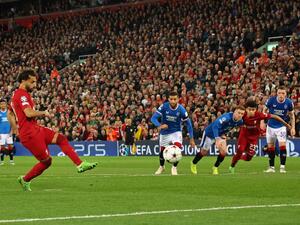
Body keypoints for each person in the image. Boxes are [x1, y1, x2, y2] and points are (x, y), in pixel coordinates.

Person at [8, 69, 98, 191]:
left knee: (61, 139)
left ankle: (80, 164)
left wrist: (15, 128)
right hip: (30, 134)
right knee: (47, 162)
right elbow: (28, 113)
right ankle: (25, 179)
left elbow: (10, 113)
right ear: (23, 81)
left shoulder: (16, 94)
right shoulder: (22, 94)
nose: (35, 85)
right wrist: (43, 113)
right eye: (32, 82)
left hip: (35, 129)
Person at [229, 99, 291, 174]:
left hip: (253, 138)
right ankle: (232, 166)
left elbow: (274, 116)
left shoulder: (259, 115)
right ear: (246, 109)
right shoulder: (242, 114)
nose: (251, 111)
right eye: (249, 109)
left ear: (256, 109)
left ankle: (238, 157)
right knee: (240, 150)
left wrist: (285, 124)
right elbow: (233, 117)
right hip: (244, 136)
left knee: (249, 157)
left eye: (253, 109)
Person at [191, 106, 245, 175]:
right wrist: (217, 139)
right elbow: (215, 126)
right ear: (234, 112)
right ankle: (193, 163)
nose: (240, 115)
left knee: (224, 152)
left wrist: (225, 135)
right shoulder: (226, 117)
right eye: (239, 113)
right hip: (210, 133)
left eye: (242, 114)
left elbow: (234, 127)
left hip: (220, 134)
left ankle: (215, 167)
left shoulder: (240, 121)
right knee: (204, 152)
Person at [151, 91, 195, 175]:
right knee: (162, 152)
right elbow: (153, 118)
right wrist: (160, 125)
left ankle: (174, 167)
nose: (173, 101)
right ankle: (161, 167)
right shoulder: (164, 106)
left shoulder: (181, 109)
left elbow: (189, 124)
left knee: (177, 149)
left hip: (176, 132)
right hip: (165, 133)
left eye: (175, 99)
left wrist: (191, 139)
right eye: (171, 99)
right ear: (168, 99)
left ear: (178, 99)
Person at [263, 86, 295, 173]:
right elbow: (264, 110)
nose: (281, 95)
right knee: (270, 147)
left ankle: (282, 167)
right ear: (277, 93)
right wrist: (262, 122)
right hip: (270, 127)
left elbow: (292, 116)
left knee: (282, 146)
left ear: (286, 94)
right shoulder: (271, 100)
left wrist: (293, 128)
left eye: (283, 93)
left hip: (281, 127)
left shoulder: (289, 103)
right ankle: (271, 167)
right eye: (279, 93)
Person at [0, 99, 15, 165]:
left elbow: (12, 123)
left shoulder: (9, 112)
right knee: (2, 147)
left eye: (4, 104)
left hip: (9, 132)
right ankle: (2, 161)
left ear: (6, 105)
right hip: (1, 133)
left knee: (10, 146)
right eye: (1, 104)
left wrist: (11, 131)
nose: (3, 105)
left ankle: (11, 160)